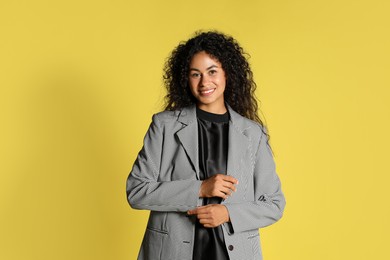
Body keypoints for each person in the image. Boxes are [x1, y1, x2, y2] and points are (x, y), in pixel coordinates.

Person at [126, 31, 286, 260]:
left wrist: (228, 213)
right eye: (195, 74)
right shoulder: (164, 126)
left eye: (212, 71)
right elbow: (136, 191)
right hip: (172, 252)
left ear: (227, 74)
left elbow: (274, 203)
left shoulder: (253, 134)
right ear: (185, 79)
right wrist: (200, 188)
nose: (204, 82)